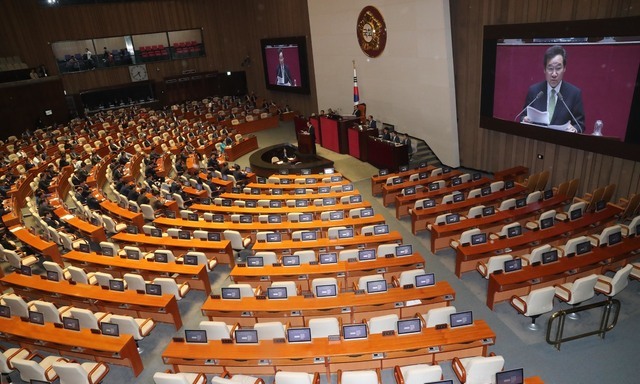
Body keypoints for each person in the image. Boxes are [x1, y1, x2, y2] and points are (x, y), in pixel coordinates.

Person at [522, 45, 584, 133]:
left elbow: (580, 124)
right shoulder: (534, 91)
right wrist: (524, 119)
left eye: (558, 68)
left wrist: (575, 129)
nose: (554, 74)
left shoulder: (574, 94)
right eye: (550, 68)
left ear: (564, 68)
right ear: (544, 69)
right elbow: (523, 115)